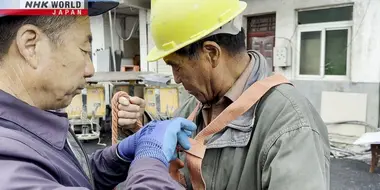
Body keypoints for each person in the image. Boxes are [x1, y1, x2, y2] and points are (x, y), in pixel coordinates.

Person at [116, 0, 330, 189]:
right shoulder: (196, 106)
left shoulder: (291, 125)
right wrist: (141, 125)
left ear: (211, 53)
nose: (176, 79)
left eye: (176, 66)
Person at [0, 1, 194, 189]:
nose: (90, 69)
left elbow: (70, 177)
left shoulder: (27, 132)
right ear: (30, 45)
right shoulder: (8, 165)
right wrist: (150, 158)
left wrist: (118, 156)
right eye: (84, 50)